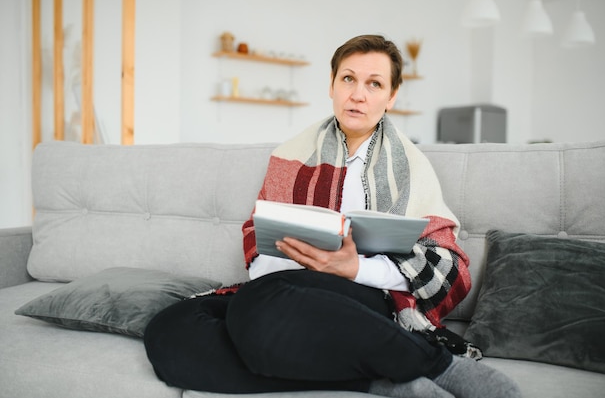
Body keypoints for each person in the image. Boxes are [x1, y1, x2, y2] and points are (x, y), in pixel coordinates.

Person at [144, 34, 521, 398]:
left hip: (363, 298)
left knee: (258, 309)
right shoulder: (292, 155)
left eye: (374, 84)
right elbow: (257, 239)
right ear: (331, 85)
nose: (358, 94)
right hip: (282, 290)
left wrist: (353, 268)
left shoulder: (412, 168)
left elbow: (447, 267)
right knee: (171, 330)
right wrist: (299, 260)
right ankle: (380, 381)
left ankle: (437, 364)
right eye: (348, 79)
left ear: (391, 96)